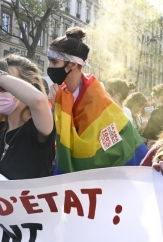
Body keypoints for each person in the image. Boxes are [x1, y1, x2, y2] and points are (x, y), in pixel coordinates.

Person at [47, 27, 147, 174]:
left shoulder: (96, 97)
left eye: (54, 62)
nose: (50, 67)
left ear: (72, 64)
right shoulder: (59, 94)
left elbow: (96, 150)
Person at [142, 83, 163, 147]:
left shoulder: (157, 111)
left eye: (154, 98)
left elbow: (146, 135)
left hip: (157, 146)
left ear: (160, 98)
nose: (154, 101)